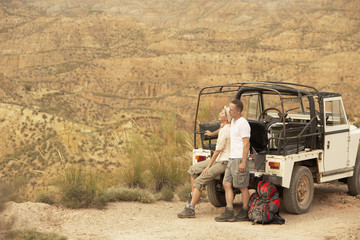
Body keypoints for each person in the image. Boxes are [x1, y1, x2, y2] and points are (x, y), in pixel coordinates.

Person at [177, 106, 231, 218]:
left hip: (222, 161)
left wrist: (209, 166)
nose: (219, 113)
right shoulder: (224, 126)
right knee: (192, 169)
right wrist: (212, 134)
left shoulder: (226, 131)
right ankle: (194, 196)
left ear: (226, 117)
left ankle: (190, 209)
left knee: (199, 181)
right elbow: (220, 129)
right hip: (218, 159)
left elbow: (217, 151)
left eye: (222, 112)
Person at [215, 99, 251, 222]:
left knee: (242, 186)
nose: (229, 111)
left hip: (239, 159)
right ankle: (229, 211)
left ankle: (246, 210)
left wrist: (243, 162)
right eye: (229, 109)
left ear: (238, 111)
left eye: (231, 110)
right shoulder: (234, 122)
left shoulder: (243, 123)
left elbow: (246, 144)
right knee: (226, 183)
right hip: (232, 158)